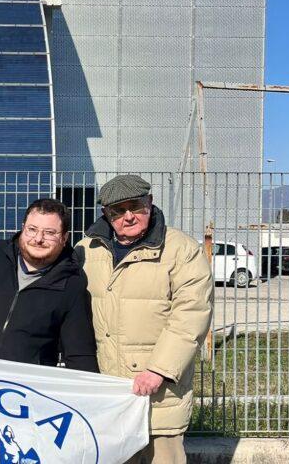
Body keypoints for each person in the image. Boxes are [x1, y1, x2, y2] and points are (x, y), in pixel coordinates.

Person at [74, 175, 213, 464]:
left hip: (158, 392)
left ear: (150, 204)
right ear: (105, 214)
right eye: (117, 211)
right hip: (106, 391)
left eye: (135, 206)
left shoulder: (181, 250)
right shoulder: (86, 250)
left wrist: (159, 370)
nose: (128, 217)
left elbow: (191, 316)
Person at [0, 198, 98, 372]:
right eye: (32, 229)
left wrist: (90, 394)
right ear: (23, 227)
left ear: (64, 238)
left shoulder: (71, 284)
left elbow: (79, 353)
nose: (38, 239)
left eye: (49, 232)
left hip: (24, 389)